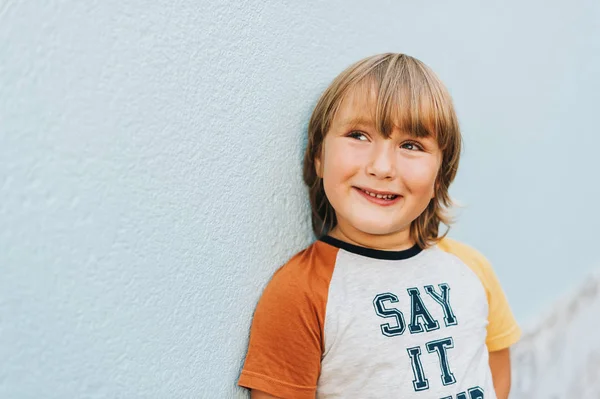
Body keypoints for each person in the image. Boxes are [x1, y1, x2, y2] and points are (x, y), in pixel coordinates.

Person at [238, 53, 520, 399]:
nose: (382, 167)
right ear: (318, 157)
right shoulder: (300, 294)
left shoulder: (472, 270)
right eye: (358, 135)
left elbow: (496, 369)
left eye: (411, 145)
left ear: (438, 179)